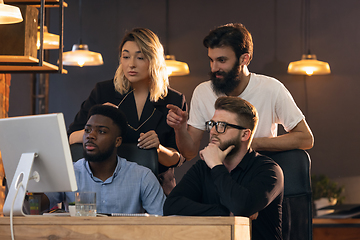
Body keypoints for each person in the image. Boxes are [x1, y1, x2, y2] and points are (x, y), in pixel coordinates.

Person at [167, 23, 313, 160]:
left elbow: (306, 138)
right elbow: (190, 152)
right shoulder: (203, 92)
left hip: (260, 173)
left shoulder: (271, 89)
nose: (213, 68)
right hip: (218, 172)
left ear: (244, 59)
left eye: (222, 60)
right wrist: (180, 129)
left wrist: (250, 144)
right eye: (211, 60)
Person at [67, 28, 187, 195]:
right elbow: (71, 137)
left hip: (157, 190)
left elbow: (177, 157)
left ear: (154, 60)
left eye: (140, 57)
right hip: (106, 187)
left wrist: (158, 148)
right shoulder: (103, 91)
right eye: (125, 56)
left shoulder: (173, 100)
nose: (131, 64)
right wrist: (99, 127)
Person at [164, 96, 284, 240]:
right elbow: (172, 205)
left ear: (245, 134)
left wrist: (216, 165)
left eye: (222, 126)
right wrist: (226, 212)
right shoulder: (203, 167)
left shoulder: (269, 171)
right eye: (212, 124)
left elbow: (242, 206)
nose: (213, 131)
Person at [44, 105, 165, 215]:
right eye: (87, 130)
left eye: (101, 131)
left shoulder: (143, 177)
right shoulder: (68, 173)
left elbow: (165, 221)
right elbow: (34, 207)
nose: (90, 135)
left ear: (117, 141)